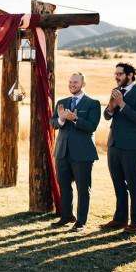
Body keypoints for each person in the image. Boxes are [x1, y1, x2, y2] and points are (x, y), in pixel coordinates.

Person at [100, 62, 136, 234]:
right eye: (116, 74)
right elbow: (107, 116)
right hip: (114, 143)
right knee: (118, 182)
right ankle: (120, 218)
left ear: (130, 75)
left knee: (133, 183)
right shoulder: (116, 91)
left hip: (132, 145)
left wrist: (121, 104)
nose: (116, 77)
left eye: (120, 74)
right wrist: (111, 108)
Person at [49, 73, 100, 232]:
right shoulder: (62, 102)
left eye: (76, 82)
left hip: (82, 153)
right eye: (70, 82)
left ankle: (81, 221)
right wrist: (62, 119)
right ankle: (66, 215)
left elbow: (92, 126)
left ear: (83, 83)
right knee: (64, 186)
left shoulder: (92, 103)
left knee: (83, 188)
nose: (72, 85)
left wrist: (75, 119)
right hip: (62, 152)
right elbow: (53, 123)